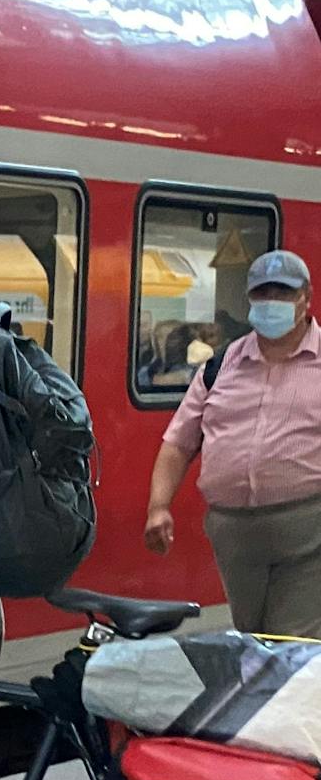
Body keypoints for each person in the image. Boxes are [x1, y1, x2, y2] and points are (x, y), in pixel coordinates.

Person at [146, 249, 321, 637]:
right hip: (235, 534)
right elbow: (178, 442)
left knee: (289, 645)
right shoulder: (221, 364)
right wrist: (159, 507)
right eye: (262, 294)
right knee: (251, 637)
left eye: (283, 293)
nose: (270, 302)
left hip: (308, 529)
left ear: (306, 298)